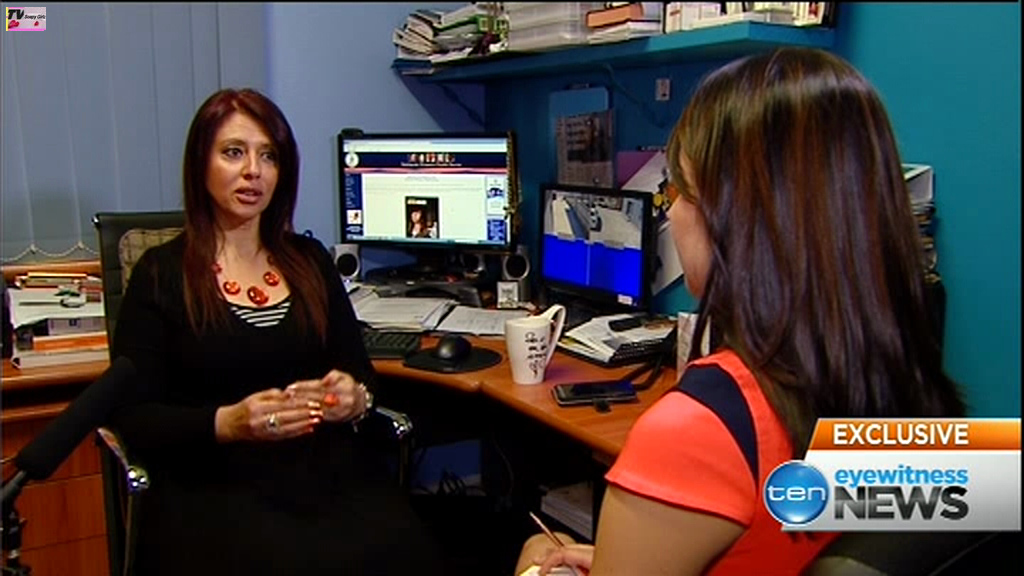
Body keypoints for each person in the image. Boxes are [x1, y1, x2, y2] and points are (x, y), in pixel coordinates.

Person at [518, 47, 965, 575]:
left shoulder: (699, 429)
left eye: (680, 190)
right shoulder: (911, 387)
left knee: (537, 548)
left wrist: (536, 567)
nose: (672, 210)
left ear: (739, 217)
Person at [109, 88, 443, 575]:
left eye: (269, 156)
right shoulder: (160, 274)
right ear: (200, 164)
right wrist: (229, 422)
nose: (254, 171)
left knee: (409, 553)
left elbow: (361, 375)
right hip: (212, 478)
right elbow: (132, 416)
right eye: (233, 152)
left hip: (321, 472)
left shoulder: (310, 262)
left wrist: (354, 399)